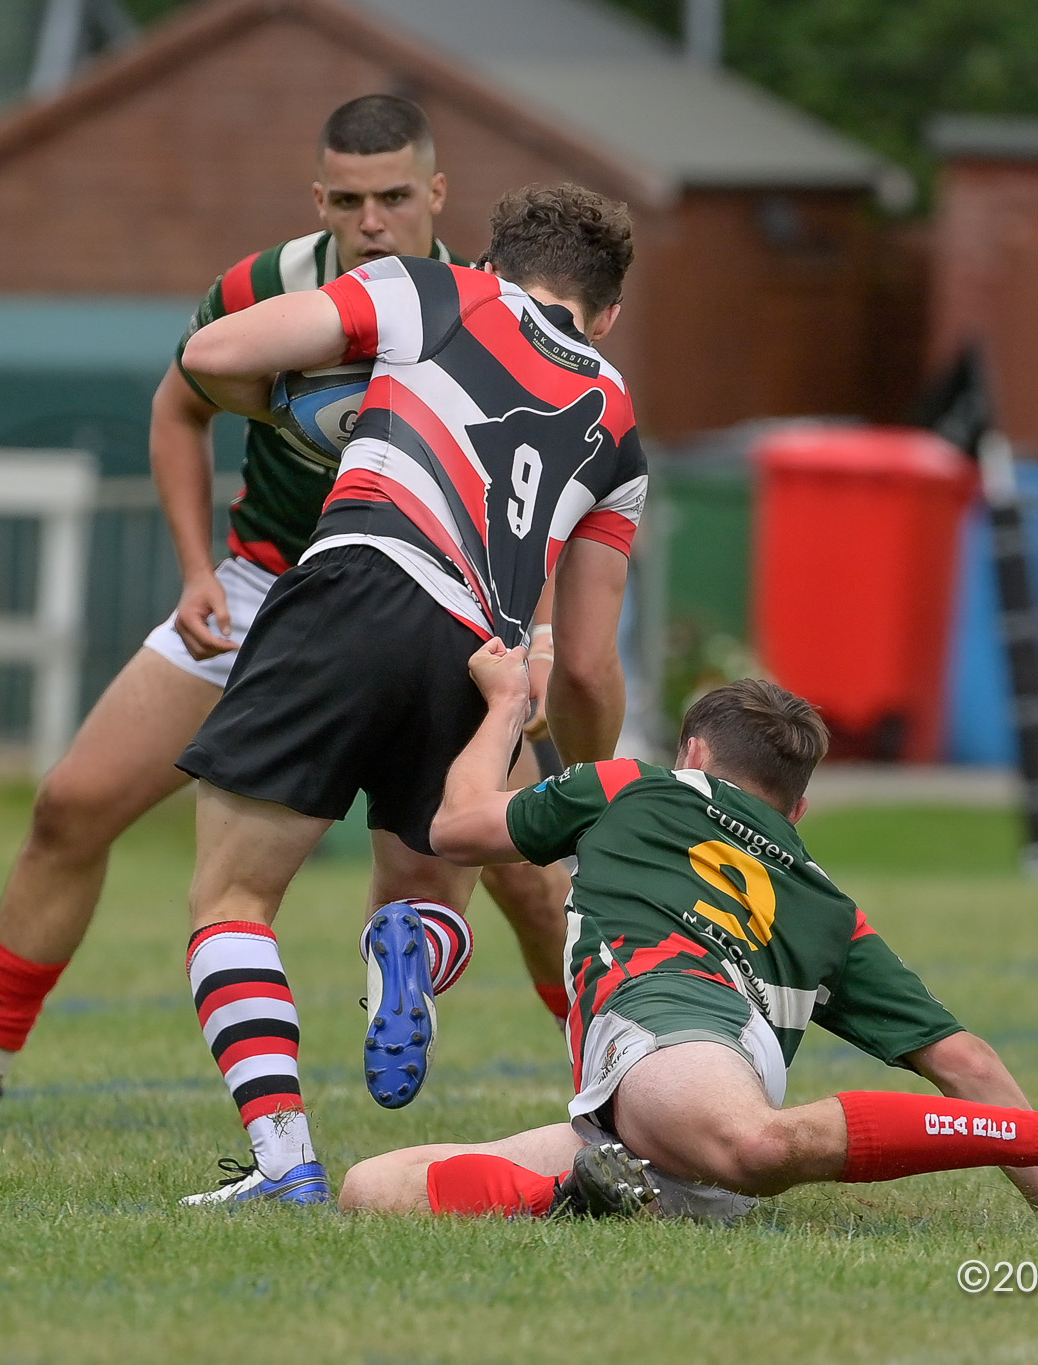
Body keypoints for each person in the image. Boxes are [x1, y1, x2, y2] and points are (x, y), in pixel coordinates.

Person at [0, 95, 575, 1130]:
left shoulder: (489, 307)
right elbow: (178, 404)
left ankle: (619, 1095)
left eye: (394, 196)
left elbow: (545, 480)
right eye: (348, 199)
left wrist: (530, 629)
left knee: (527, 881)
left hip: (431, 611)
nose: (371, 220)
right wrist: (192, 571)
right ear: (317, 199)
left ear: (437, 194)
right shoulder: (266, 290)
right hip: (267, 590)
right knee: (70, 804)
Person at [334, 666, 1038, 1222]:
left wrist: (502, 705)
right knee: (374, 1188)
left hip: (670, 1033)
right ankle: (587, 1195)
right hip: (649, 1106)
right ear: (797, 808)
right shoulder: (828, 905)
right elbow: (969, 1063)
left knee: (753, 1147)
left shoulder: (631, 784)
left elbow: (455, 826)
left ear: (692, 753)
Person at [170, 181, 647, 1204]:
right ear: (607, 313)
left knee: (233, 898)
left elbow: (209, 356)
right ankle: (412, 958)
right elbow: (590, 666)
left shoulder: (432, 293)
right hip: (485, 652)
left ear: (493, 262)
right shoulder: (617, 418)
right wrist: (589, 776)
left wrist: (313, 405)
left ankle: (284, 1159)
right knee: (431, 895)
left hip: (355, 580)